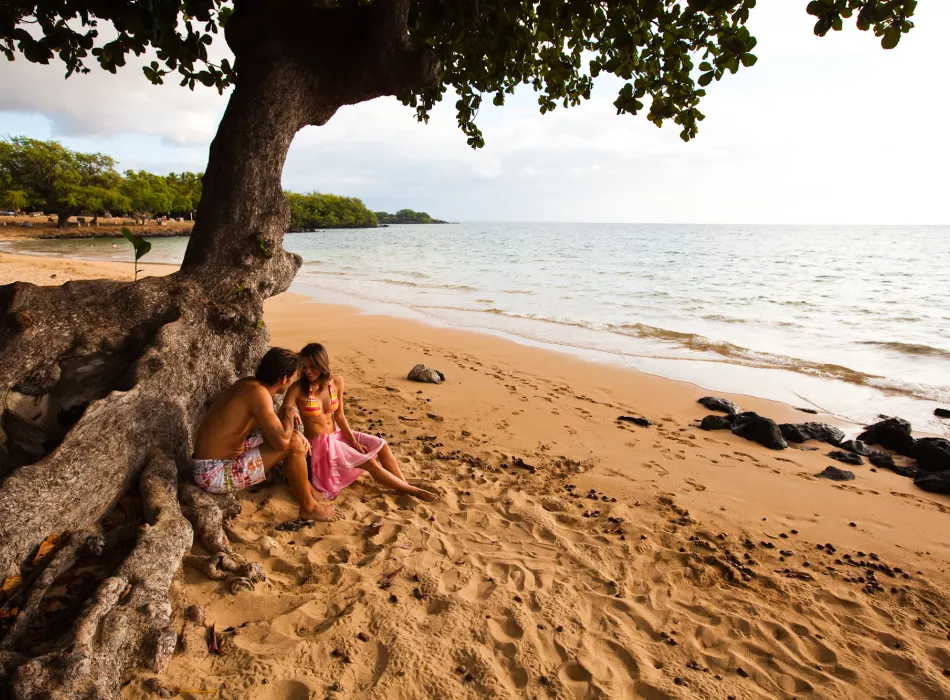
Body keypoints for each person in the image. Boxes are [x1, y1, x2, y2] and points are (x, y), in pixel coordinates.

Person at [192, 347, 337, 521]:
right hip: (213, 474)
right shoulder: (259, 394)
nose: (293, 382)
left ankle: (306, 488)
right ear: (284, 379)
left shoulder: (248, 384)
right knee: (293, 443)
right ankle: (309, 507)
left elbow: (274, 430)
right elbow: (281, 442)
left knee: (295, 437)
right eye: (293, 378)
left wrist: (290, 424)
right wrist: (289, 415)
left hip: (213, 461)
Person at [287, 342, 438, 502]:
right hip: (320, 444)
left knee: (382, 444)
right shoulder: (298, 388)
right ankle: (414, 491)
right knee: (369, 462)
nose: (308, 371)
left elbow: (339, 416)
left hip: (337, 434)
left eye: (312, 366)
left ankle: (403, 485)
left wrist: (353, 441)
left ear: (322, 364)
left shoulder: (336, 382)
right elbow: (285, 409)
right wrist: (290, 411)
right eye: (304, 366)